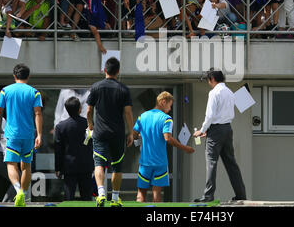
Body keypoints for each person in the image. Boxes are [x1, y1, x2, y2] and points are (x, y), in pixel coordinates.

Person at [86, 57, 134, 207]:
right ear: (118, 72)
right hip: (117, 133)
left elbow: (88, 110)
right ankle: (114, 198)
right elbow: (128, 113)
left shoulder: (96, 87)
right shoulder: (123, 89)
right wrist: (131, 132)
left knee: (99, 163)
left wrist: (90, 125)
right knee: (117, 166)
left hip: (100, 132)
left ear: (104, 70)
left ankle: (101, 194)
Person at [193, 69, 246, 202]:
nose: (208, 83)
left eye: (208, 80)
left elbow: (210, 115)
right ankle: (241, 194)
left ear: (212, 79)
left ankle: (208, 195)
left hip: (215, 130)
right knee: (231, 163)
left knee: (211, 162)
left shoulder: (214, 92)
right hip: (228, 129)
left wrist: (202, 129)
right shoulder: (229, 92)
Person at [0, 63, 43, 207]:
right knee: (26, 166)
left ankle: (18, 191)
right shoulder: (34, 92)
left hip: (12, 135)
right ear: (28, 76)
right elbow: (38, 113)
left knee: (11, 164)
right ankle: (23, 192)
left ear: (14, 76)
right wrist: (39, 134)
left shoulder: (5, 91)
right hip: (28, 135)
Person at [134, 91, 194, 203]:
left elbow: (134, 134)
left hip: (144, 162)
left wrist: (140, 138)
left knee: (140, 194)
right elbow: (168, 138)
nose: (170, 109)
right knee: (157, 195)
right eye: (170, 105)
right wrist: (185, 148)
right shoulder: (167, 118)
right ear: (163, 102)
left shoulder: (142, 116)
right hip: (160, 163)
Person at [54, 96, 94, 201]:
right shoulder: (88, 124)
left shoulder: (60, 127)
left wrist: (58, 167)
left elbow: (58, 149)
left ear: (66, 110)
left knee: (69, 196)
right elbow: (91, 142)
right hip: (86, 165)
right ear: (80, 109)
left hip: (69, 166)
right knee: (86, 197)